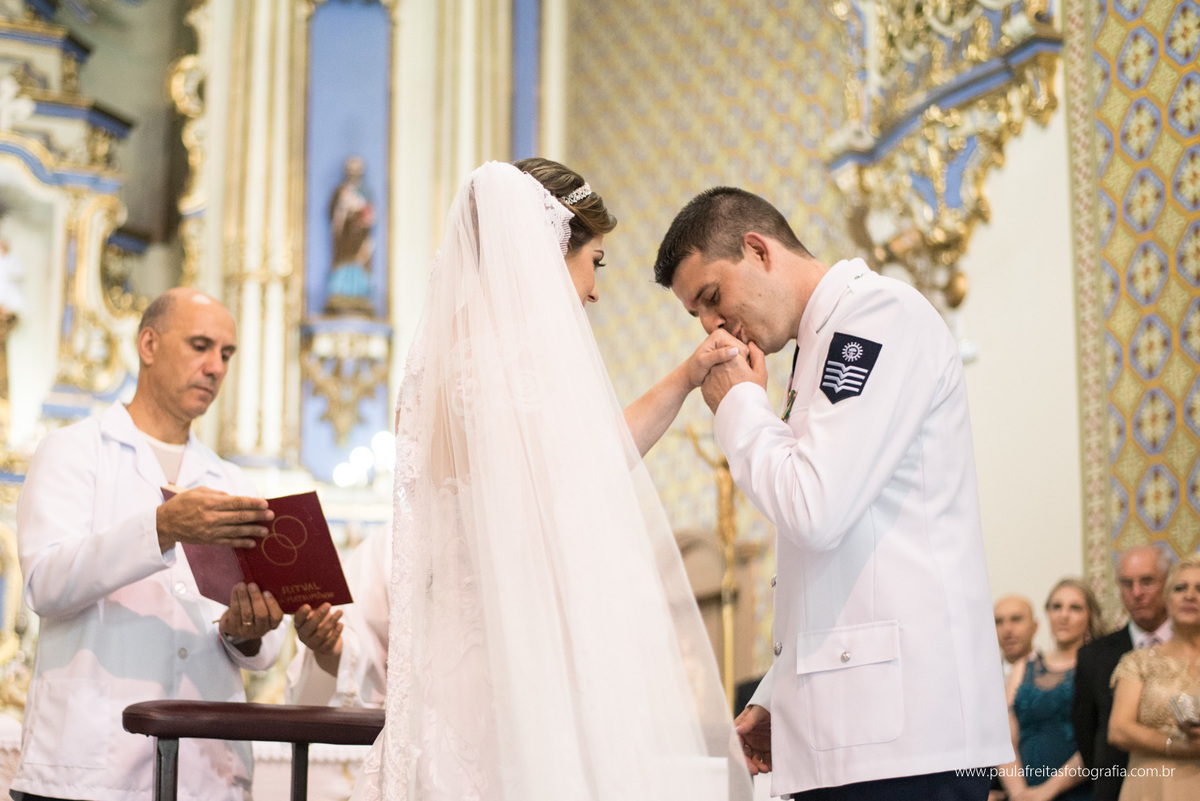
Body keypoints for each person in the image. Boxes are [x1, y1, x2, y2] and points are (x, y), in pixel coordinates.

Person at [348, 161, 752, 801]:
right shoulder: (513, 363)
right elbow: (583, 476)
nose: (594, 290)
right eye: (596, 261)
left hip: (455, 664)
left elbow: (573, 465)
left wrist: (684, 375)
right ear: (546, 252)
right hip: (518, 663)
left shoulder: (439, 363)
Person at [652, 186, 1012, 799]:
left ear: (758, 250)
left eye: (711, 297)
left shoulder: (874, 317)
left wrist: (740, 407)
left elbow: (815, 510)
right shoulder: (819, 345)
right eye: (697, 315)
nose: (712, 326)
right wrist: (782, 695)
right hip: (861, 728)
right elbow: (833, 564)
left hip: (909, 740)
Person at [12, 288, 285, 801]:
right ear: (149, 345)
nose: (215, 367)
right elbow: (44, 584)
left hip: (206, 771)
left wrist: (245, 632)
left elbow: (266, 650)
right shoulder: (73, 451)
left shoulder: (233, 482)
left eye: (226, 354)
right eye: (200, 346)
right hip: (89, 769)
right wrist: (162, 528)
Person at [1074, 546, 1173, 801]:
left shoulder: (1192, 647)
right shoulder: (1094, 656)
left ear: (1167, 582)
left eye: (1147, 581)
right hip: (1118, 790)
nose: (1137, 593)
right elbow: (1086, 732)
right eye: (1127, 584)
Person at [1108, 552, 1200, 800]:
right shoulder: (1139, 661)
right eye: (1180, 588)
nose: (1190, 595)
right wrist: (1179, 747)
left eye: (1199, 588)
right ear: (1167, 599)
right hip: (1151, 787)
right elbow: (1118, 729)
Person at [1000, 578, 1099, 801]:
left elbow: (1096, 738)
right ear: (1047, 613)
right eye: (1057, 607)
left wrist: (1048, 791)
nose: (1064, 615)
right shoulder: (1023, 668)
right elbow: (1005, 737)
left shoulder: (1097, 667)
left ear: (1090, 616)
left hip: (1080, 791)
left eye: (1075, 608)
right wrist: (1019, 794)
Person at [998, 595, 1040, 678]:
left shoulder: (1053, 672)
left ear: (1034, 627)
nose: (1007, 629)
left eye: (1016, 619)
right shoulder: (982, 675)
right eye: (998, 621)